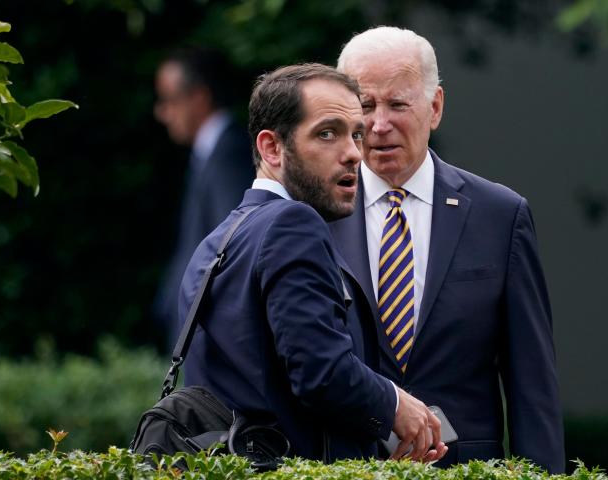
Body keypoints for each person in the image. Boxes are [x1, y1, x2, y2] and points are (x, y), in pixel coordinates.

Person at [179, 63, 447, 461]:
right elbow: (321, 373)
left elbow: (268, 398)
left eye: (356, 134)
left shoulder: (217, 242)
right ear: (272, 148)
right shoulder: (294, 223)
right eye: (328, 133)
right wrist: (395, 404)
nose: (355, 153)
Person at [330, 27, 564, 472]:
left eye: (398, 104)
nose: (379, 125)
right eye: (365, 106)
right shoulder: (313, 216)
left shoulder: (498, 215)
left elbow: (531, 382)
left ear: (434, 106)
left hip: (464, 467)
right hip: (347, 466)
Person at [153, 48, 254, 341]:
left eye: (169, 100)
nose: (162, 113)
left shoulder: (227, 154)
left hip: (208, 339)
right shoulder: (209, 153)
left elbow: (232, 247)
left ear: (199, 98)